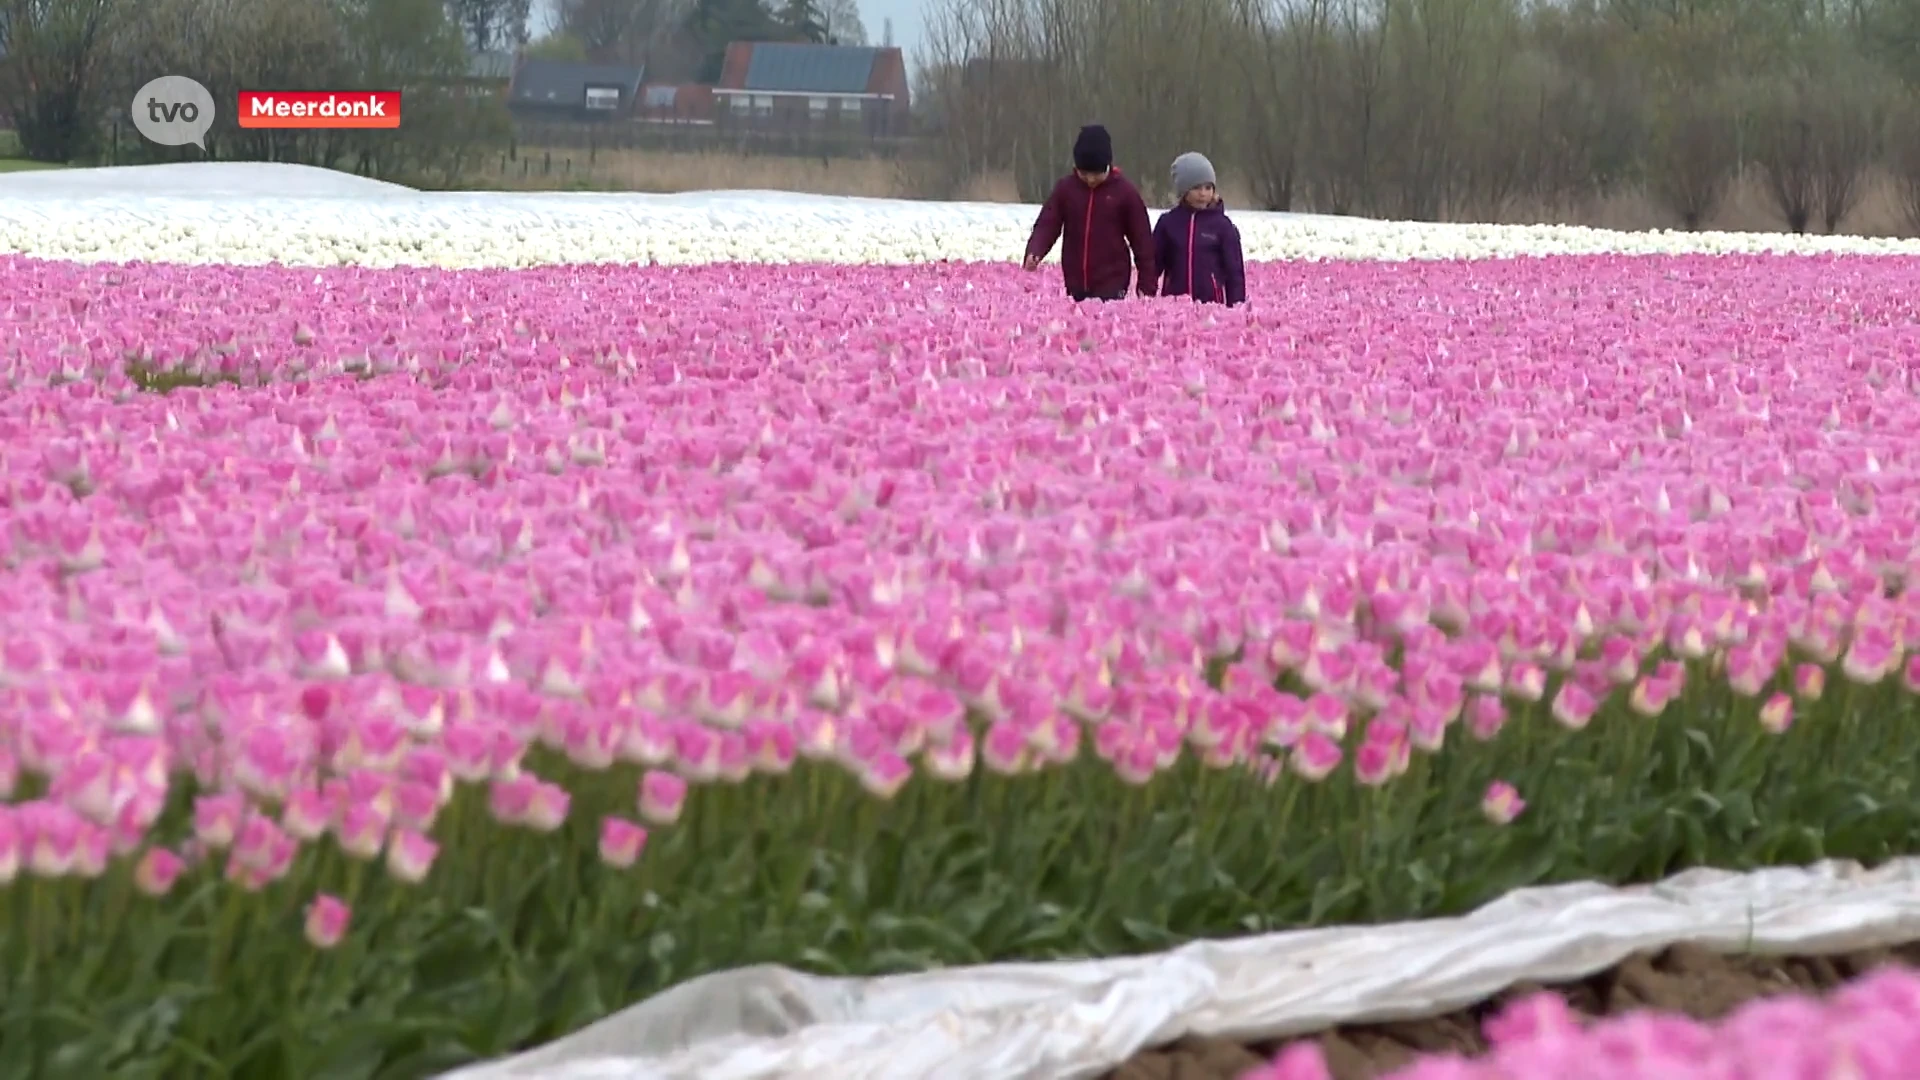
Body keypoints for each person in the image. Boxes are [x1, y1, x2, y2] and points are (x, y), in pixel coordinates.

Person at [1022, 125, 1157, 302]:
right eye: (1084, 173)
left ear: (1108, 166)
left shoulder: (1124, 192)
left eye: (1096, 174)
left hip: (1112, 282)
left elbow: (1142, 241)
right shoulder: (1066, 189)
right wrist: (1035, 250)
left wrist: (1147, 286)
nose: (1090, 179)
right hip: (1075, 281)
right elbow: (1048, 223)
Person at [1152, 152, 1246, 307]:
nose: (1203, 193)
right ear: (1183, 190)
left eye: (1208, 187)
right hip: (1174, 309)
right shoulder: (1168, 223)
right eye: (1196, 188)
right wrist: (1146, 299)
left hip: (1211, 309)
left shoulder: (1223, 226)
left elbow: (1234, 272)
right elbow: (1153, 265)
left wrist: (1236, 307)